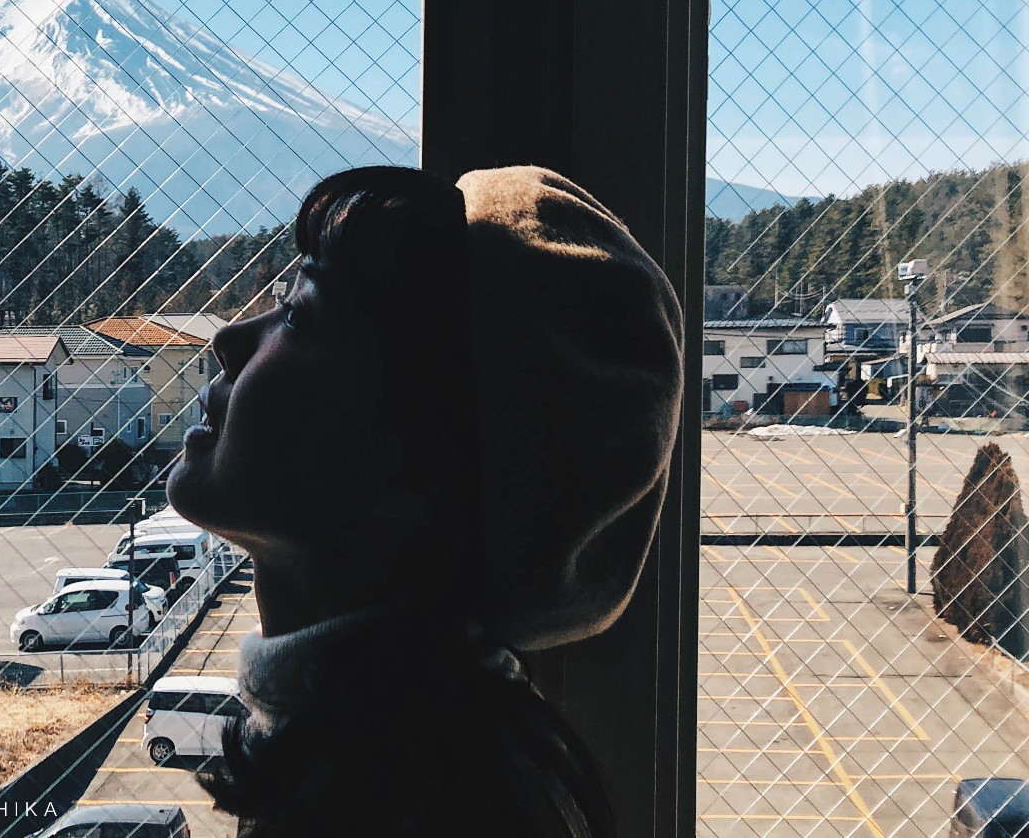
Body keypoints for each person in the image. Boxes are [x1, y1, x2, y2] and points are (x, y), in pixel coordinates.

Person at [167, 165, 683, 838]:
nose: (230, 340)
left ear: (416, 458)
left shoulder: (384, 806)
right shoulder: (430, 761)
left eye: (297, 311)